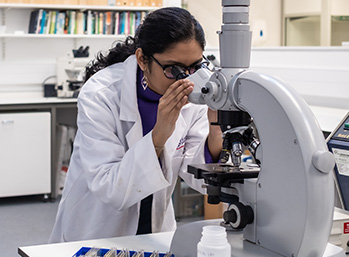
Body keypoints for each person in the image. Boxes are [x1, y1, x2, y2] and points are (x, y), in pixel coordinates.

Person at [49, 7, 223, 243]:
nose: (186, 79)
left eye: (195, 67)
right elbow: (111, 188)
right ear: (142, 59)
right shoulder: (102, 94)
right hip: (96, 231)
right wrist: (159, 135)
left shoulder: (192, 98)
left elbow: (200, 178)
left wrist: (216, 124)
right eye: (174, 69)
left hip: (156, 231)